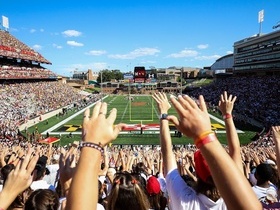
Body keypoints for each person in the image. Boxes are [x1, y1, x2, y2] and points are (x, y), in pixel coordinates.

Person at [152, 92, 262, 210]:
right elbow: (235, 150)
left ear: (197, 172)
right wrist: (225, 117)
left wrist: (164, 115)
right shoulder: (234, 197)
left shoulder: (185, 200)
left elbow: (167, 152)